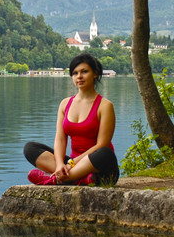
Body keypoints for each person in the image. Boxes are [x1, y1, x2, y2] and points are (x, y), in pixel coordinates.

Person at [24, 52, 119, 185]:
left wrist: (72, 164)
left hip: (99, 167)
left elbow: (101, 144)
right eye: (75, 73)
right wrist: (59, 165)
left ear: (95, 73)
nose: (79, 76)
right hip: (71, 164)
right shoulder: (65, 104)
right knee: (30, 148)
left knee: (105, 152)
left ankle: (58, 179)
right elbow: (60, 138)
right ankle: (75, 178)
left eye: (84, 71)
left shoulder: (105, 106)